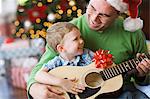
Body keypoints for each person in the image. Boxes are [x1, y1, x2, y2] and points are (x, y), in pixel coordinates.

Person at [27, 0, 150, 99]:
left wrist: (141, 75)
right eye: (92, 8)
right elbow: (39, 70)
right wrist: (34, 88)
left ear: (118, 14)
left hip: (118, 91)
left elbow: (146, 79)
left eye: (104, 15)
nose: (94, 18)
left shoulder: (133, 33)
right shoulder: (68, 32)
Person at [34, 22, 95, 95]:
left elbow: (101, 65)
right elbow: (38, 75)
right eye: (75, 39)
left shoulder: (87, 54)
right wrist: (62, 82)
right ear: (61, 48)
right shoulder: (56, 62)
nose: (81, 41)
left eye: (80, 37)